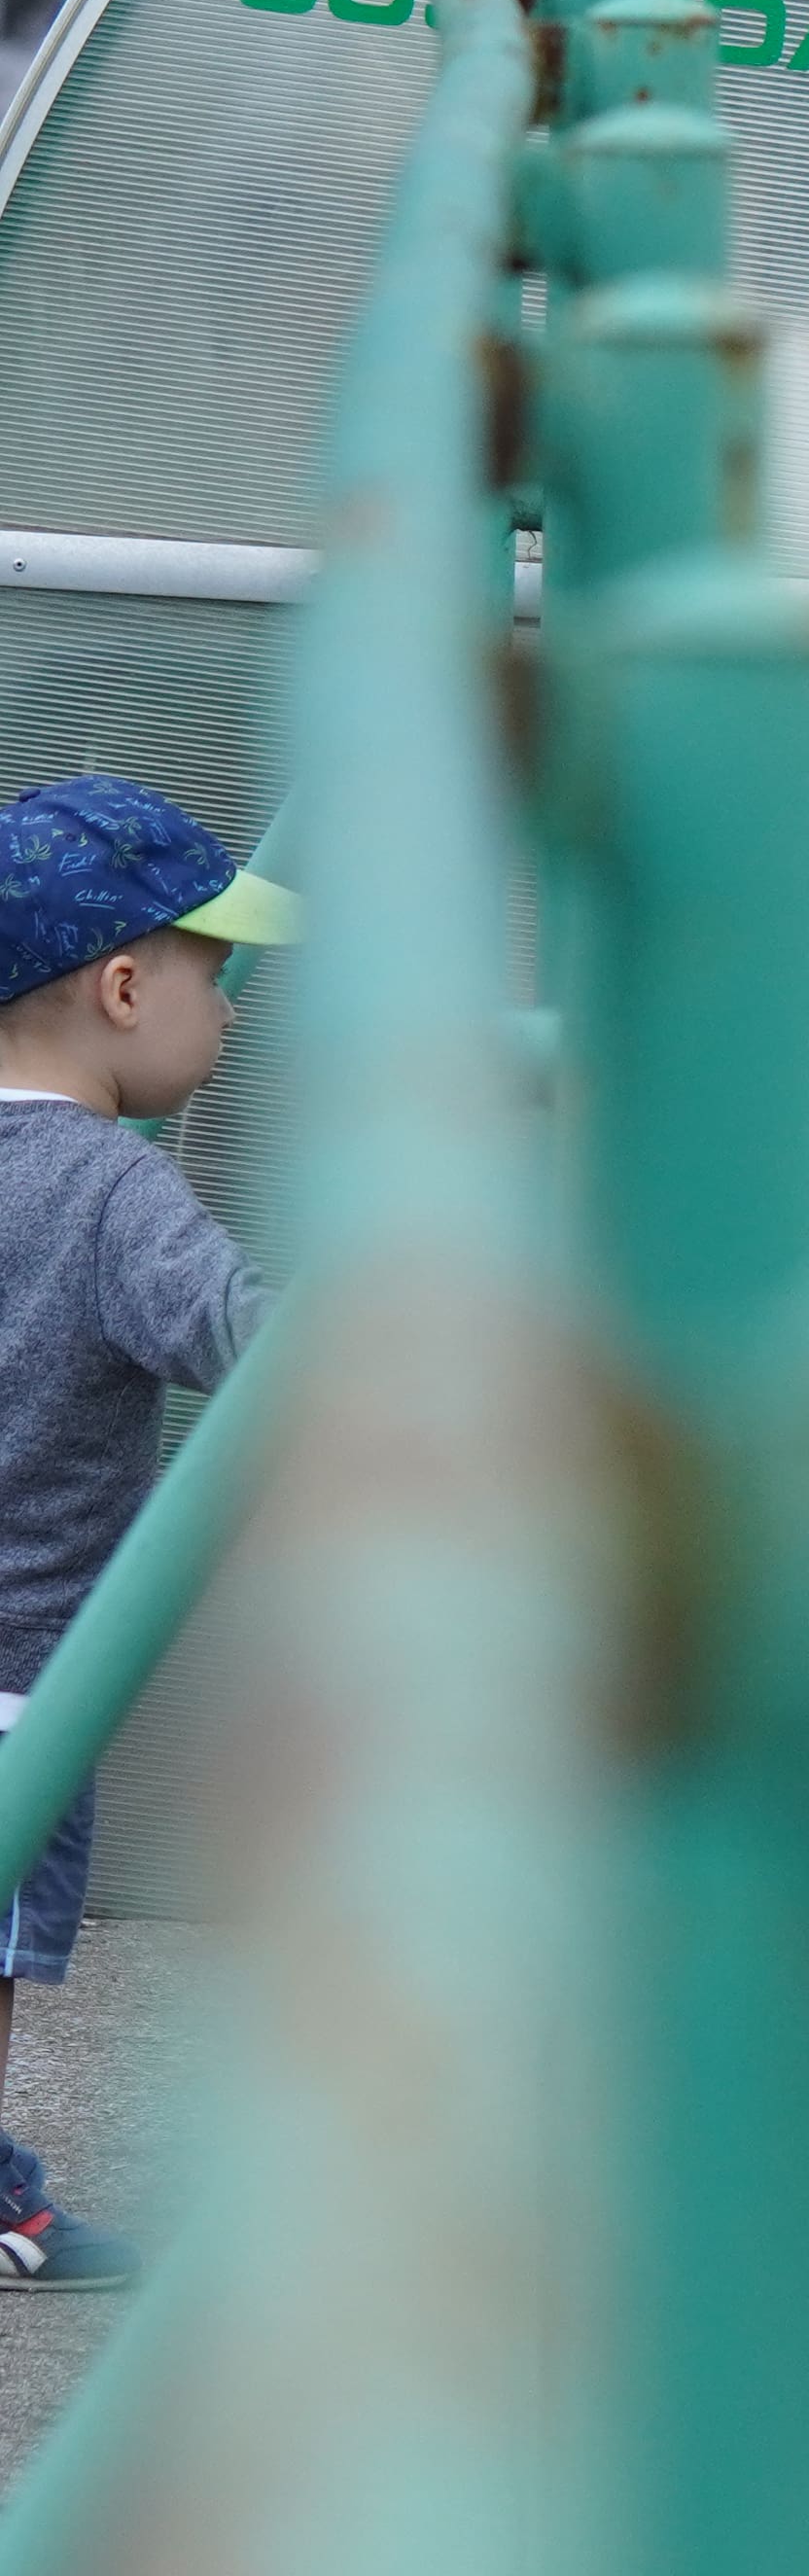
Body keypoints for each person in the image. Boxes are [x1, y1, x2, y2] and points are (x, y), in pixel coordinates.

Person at [0, 773, 294, 2293]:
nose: (228, 1015)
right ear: (123, 989)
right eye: (212, 975)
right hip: (20, 1689)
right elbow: (248, 1339)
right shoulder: (114, 1190)